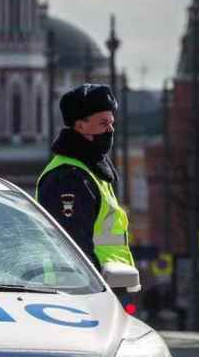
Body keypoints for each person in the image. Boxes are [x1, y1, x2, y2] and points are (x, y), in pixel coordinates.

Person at [36, 83, 136, 274]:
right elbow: (73, 246)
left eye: (111, 123)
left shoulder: (91, 171)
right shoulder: (68, 177)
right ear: (80, 126)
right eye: (103, 124)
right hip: (82, 289)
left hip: (107, 283)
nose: (110, 130)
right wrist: (93, 288)